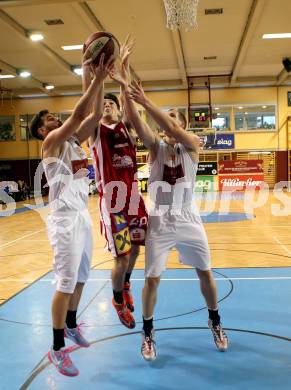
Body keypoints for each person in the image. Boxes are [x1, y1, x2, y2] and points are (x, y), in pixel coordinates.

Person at [109, 48, 228, 360]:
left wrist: (147, 101)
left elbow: (174, 129)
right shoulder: (155, 146)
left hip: (188, 217)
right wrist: (124, 81)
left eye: (173, 117)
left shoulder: (191, 146)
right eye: (167, 118)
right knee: (152, 279)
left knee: (206, 273)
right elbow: (133, 117)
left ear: (184, 124)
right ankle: (147, 334)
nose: (167, 122)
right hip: (160, 219)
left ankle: (215, 321)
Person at [29, 55, 112, 376]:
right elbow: (79, 113)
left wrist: (98, 78)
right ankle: (56, 347)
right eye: (48, 117)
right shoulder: (51, 142)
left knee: (81, 278)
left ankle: (72, 325)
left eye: (53, 115)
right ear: (41, 129)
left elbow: (91, 114)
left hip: (82, 216)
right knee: (65, 283)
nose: (53, 117)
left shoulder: (75, 143)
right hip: (63, 220)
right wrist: (92, 76)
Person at [84, 38, 148, 329]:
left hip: (134, 200)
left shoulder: (128, 129)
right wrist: (92, 74)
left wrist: (124, 66)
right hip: (113, 204)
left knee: (135, 250)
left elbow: (132, 99)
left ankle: (126, 285)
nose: (107, 105)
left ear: (119, 110)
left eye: (112, 103)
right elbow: (90, 106)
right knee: (120, 258)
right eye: (105, 103)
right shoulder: (96, 132)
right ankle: (117, 301)